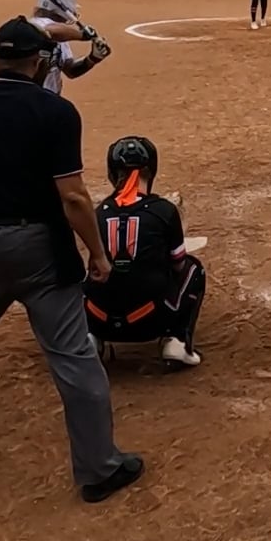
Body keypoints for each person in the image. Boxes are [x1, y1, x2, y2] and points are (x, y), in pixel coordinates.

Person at [0, 16, 144, 503]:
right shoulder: (55, 111)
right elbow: (73, 197)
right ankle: (98, 470)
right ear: (39, 62)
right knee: (73, 357)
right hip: (41, 249)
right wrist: (97, 253)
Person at [83, 136, 206, 369]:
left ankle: (89, 338)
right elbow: (178, 264)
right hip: (151, 320)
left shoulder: (98, 213)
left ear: (112, 172)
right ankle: (178, 342)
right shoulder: (164, 210)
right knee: (193, 268)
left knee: (84, 275)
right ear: (151, 170)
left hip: (100, 320)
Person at [25, 0, 110, 97]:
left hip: (49, 100)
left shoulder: (62, 35)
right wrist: (82, 35)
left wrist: (92, 58)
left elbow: (70, 71)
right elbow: (49, 31)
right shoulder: (34, 26)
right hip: (30, 101)